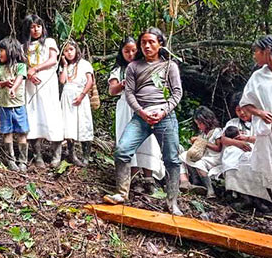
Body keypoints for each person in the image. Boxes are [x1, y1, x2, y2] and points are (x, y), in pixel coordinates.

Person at [104, 27, 184, 216]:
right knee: (122, 150)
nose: (147, 46)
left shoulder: (169, 66)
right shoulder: (133, 67)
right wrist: (140, 111)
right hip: (141, 116)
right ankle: (122, 193)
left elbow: (177, 92)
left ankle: (172, 201)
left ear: (160, 44)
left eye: (151, 42)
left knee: (171, 159)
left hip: (165, 116)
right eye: (144, 43)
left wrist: (164, 111)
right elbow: (129, 93)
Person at [239, 35, 272, 210]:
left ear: (267, 51)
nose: (254, 55)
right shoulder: (257, 76)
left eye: (256, 51)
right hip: (268, 133)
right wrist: (259, 112)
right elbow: (245, 103)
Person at [108, 36, 165, 194]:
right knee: (128, 140)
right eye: (127, 51)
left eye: (134, 50)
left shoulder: (146, 66)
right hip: (126, 107)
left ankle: (149, 178)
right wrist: (122, 84)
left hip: (145, 106)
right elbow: (112, 90)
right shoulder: (118, 70)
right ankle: (132, 179)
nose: (130, 54)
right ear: (121, 52)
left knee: (148, 140)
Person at [20, 14, 63, 167]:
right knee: (33, 115)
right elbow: (22, 66)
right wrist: (29, 74)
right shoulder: (23, 47)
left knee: (51, 115)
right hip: (31, 86)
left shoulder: (49, 42)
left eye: (38, 26)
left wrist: (35, 69)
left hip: (48, 85)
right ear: (28, 29)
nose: (36, 29)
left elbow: (52, 60)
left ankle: (56, 155)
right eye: (32, 26)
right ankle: (37, 155)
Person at [217, 92, 272, 211]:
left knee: (253, 163)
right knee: (232, 156)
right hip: (237, 154)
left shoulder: (260, 122)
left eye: (244, 110)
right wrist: (238, 143)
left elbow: (268, 139)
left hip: (256, 153)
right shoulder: (233, 123)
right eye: (238, 110)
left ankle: (260, 200)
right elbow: (223, 139)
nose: (241, 113)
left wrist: (247, 139)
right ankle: (243, 197)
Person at [0, 37, 29, 172]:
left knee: (22, 133)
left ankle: (23, 161)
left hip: (19, 105)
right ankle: (11, 159)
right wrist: (4, 84)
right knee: (7, 132)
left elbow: (20, 78)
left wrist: (13, 88)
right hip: (4, 106)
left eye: (1, 50)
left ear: (10, 51)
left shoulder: (21, 66)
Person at [58, 39, 94, 167]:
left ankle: (86, 156)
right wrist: (65, 65)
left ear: (76, 50)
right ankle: (72, 154)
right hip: (67, 96)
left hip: (81, 95)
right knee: (69, 125)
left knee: (84, 123)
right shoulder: (64, 66)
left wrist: (82, 95)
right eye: (66, 51)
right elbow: (62, 81)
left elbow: (90, 81)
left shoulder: (84, 64)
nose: (69, 53)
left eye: (71, 49)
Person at [181, 106, 222, 199]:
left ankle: (210, 190)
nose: (199, 126)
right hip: (205, 156)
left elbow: (218, 148)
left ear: (207, 120)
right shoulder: (203, 133)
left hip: (215, 158)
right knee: (184, 156)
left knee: (200, 163)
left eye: (200, 124)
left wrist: (203, 141)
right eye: (197, 124)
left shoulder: (217, 131)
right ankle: (195, 182)